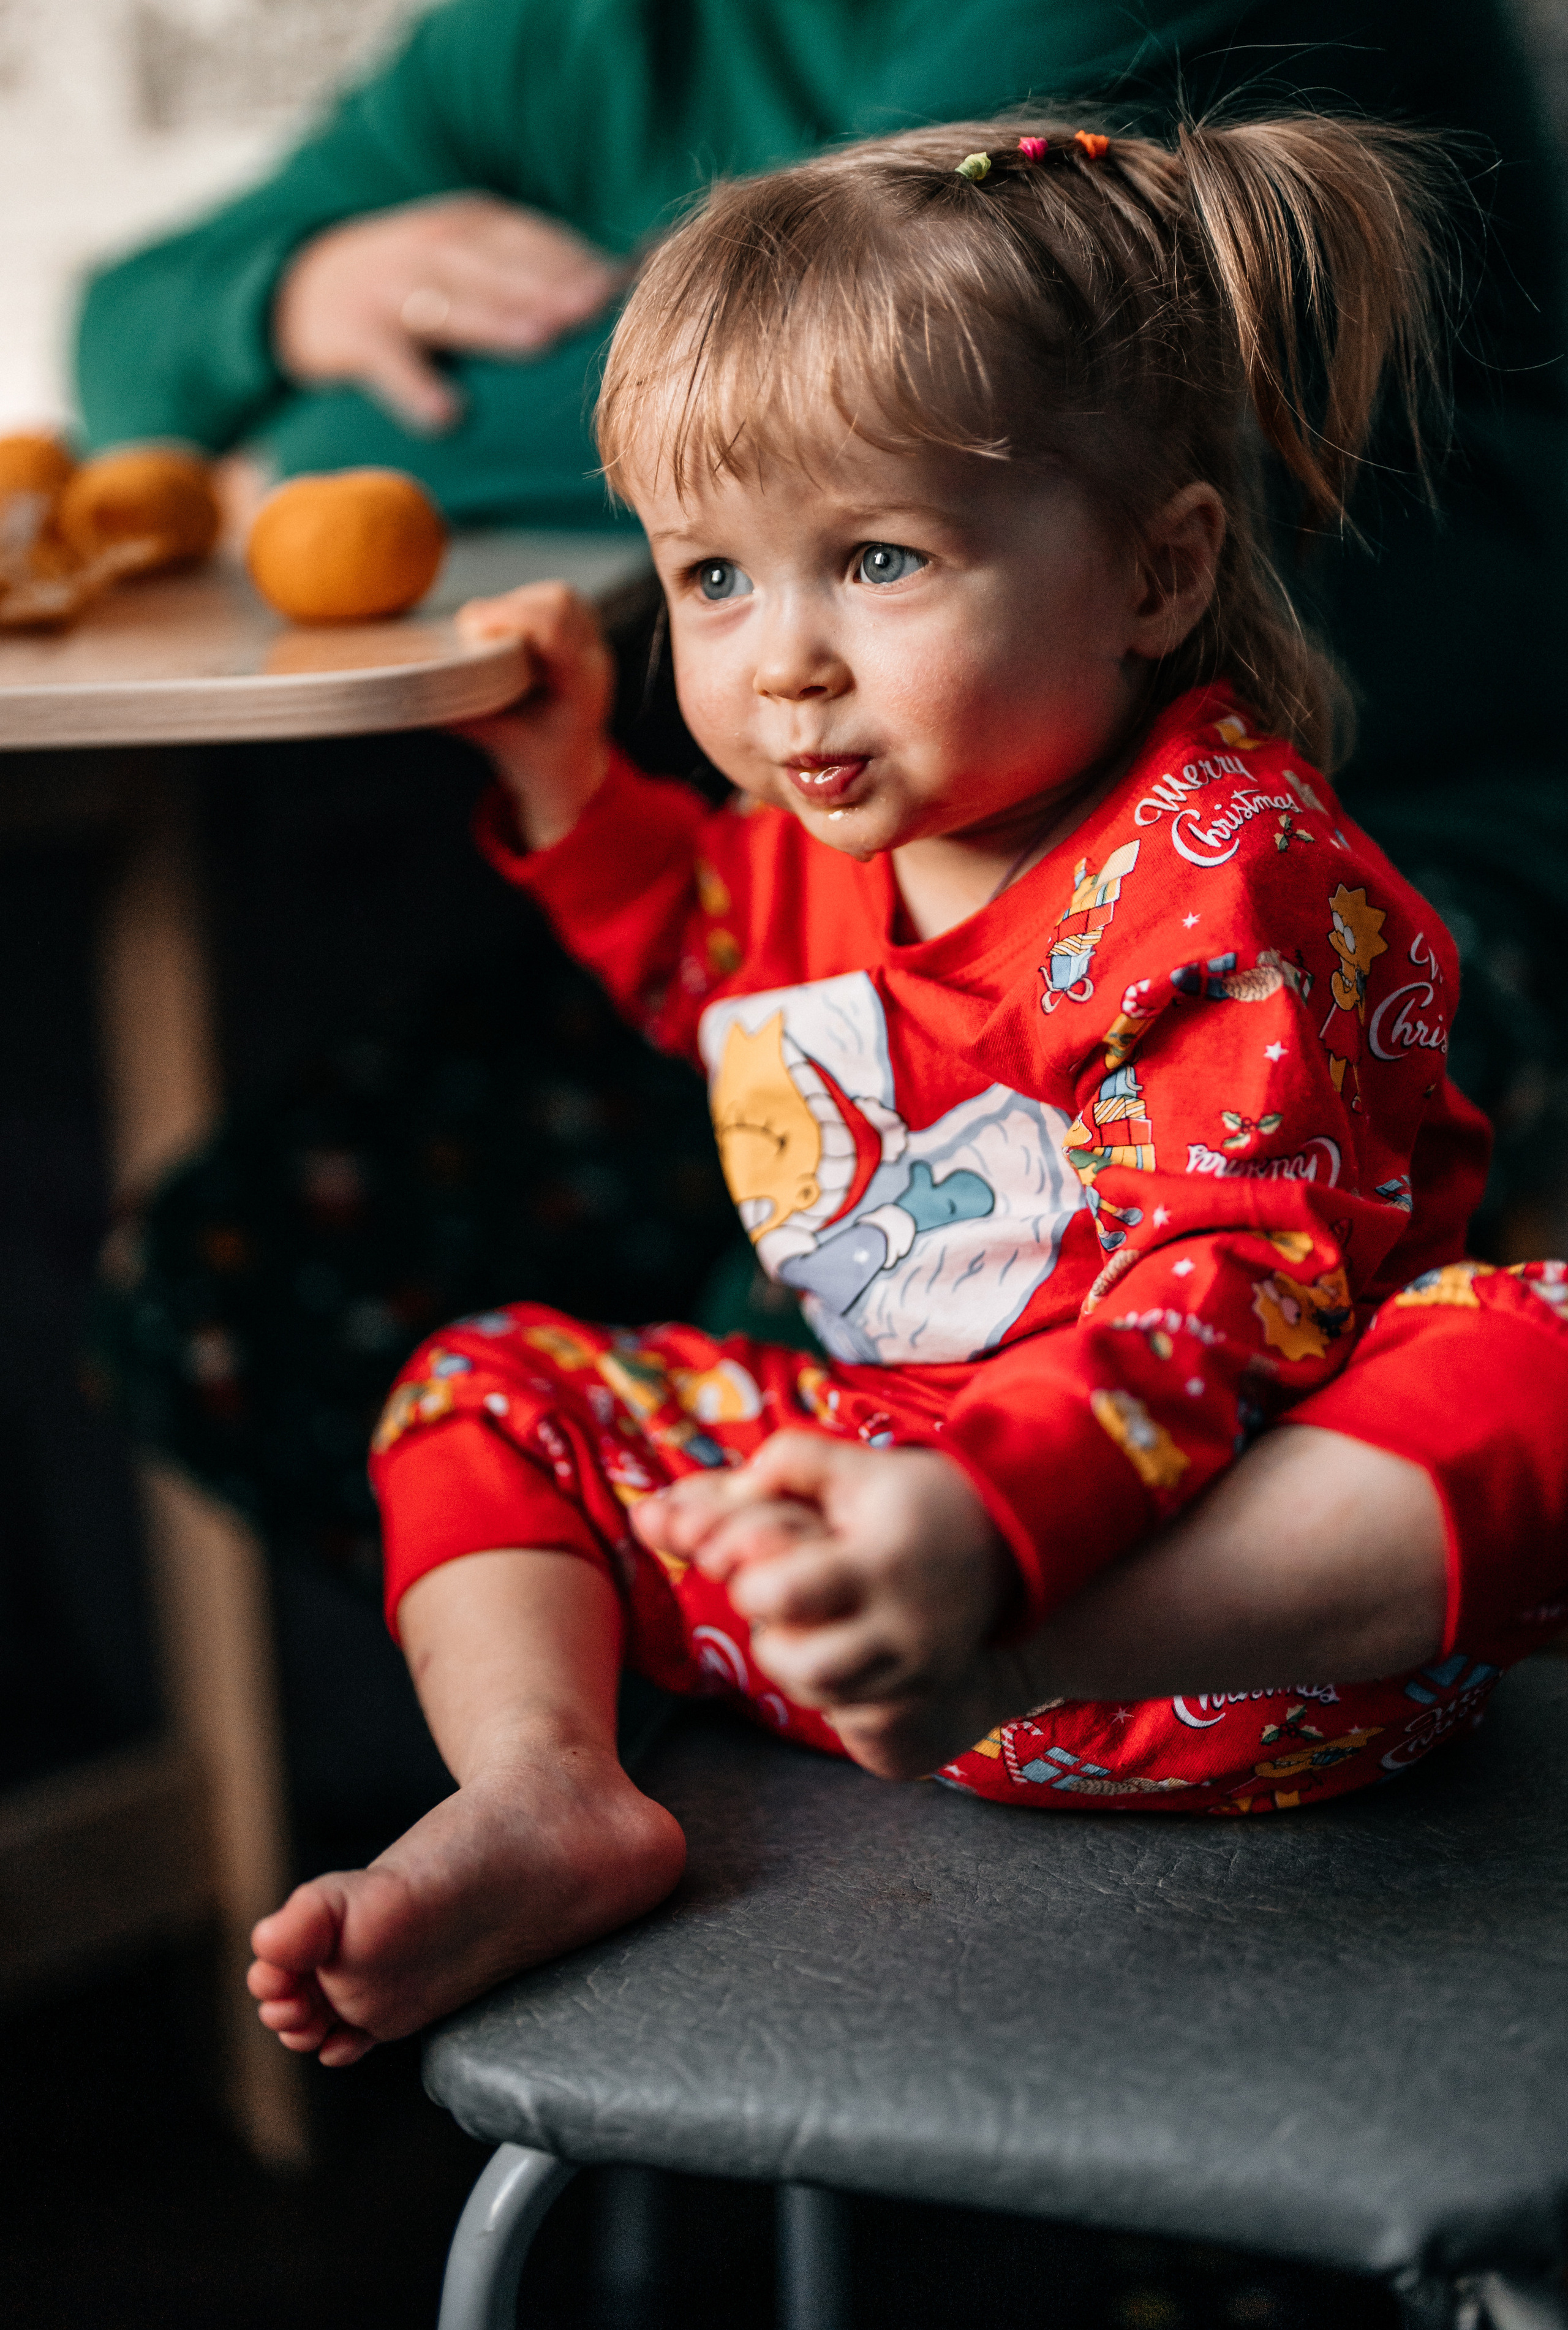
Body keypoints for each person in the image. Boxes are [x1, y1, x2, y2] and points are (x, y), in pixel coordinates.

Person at [246, 112, 1568, 2066]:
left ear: (1155, 569)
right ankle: (546, 1786)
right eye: (710, 575)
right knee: (488, 1387)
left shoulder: (1226, 872)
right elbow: (728, 980)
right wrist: (571, 795)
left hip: (1237, 1635)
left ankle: (1007, 1634)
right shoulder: (824, 839)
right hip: (871, 1618)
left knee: (1534, 1348)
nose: (783, 668)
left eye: (874, 560)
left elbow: (1234, 1293)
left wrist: (993, 1557)